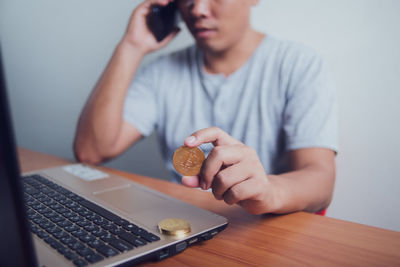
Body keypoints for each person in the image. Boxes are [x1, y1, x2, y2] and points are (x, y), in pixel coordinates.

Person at [73, 0, 338, 215]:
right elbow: (90, 151)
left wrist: (269, 191)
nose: (197, 9)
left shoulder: (299, 64)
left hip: (268, 232)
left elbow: (321, 180)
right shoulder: (161, 73)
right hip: (190, 224)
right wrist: (131, 47)